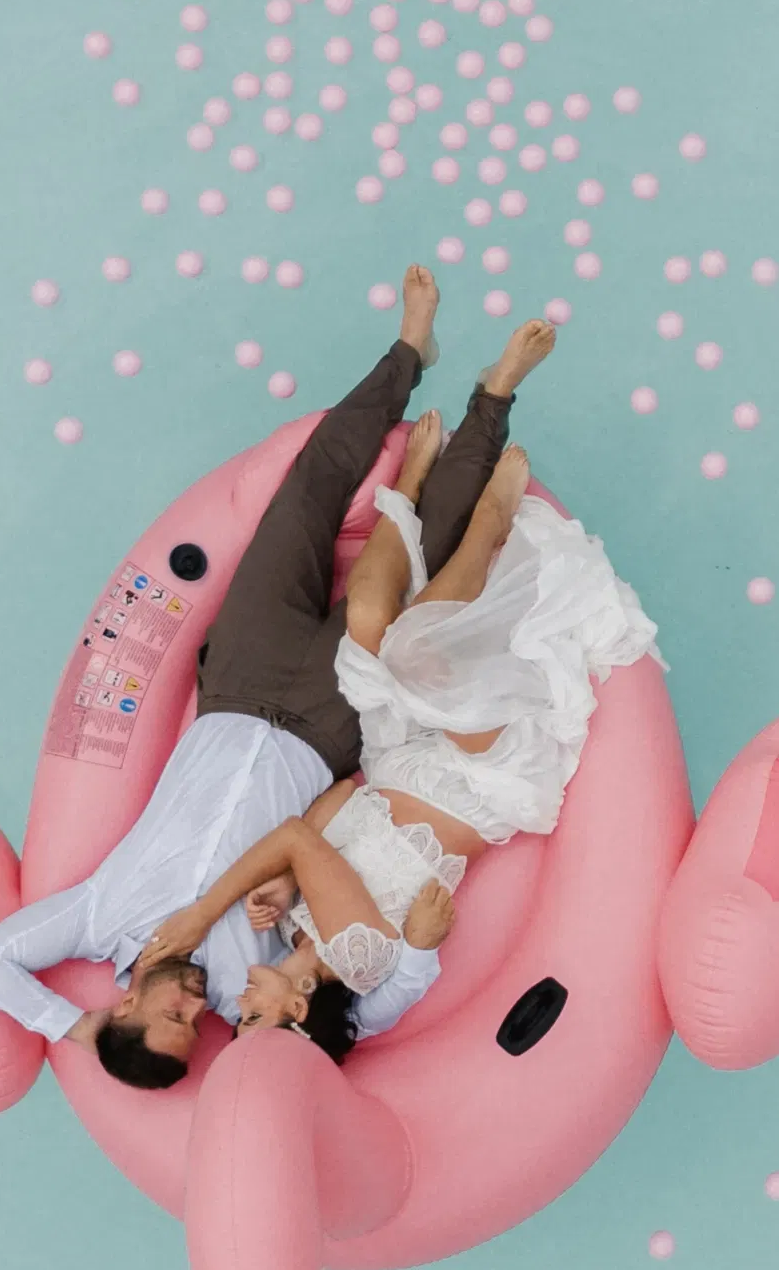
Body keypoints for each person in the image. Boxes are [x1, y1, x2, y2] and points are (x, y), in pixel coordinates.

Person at [0, 269, 557, 1088]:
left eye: (170, 1016)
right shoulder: (249, 991)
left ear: (127, 1008)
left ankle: (410, 352)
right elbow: (366, 1008)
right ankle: (494, 402)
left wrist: (70, 1026)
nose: (193, 1008)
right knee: (422, 575)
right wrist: (407, 949)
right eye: (193, 1029)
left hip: (236, 684)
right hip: (324, 724)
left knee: (302, 498)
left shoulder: (95, 919)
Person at [135, 342, 659, 1060]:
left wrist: (288, 884)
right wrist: (208, 911)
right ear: (295, 1011)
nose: (237, 1007)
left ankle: (408, 485)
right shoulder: (360, 959)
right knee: (411, 650)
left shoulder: (295, 927)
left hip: (400, 756)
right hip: (474, 781)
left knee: (370, 627)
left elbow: (324, 810)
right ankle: (489, 520)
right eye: (252, 1019)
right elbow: (297, 834)